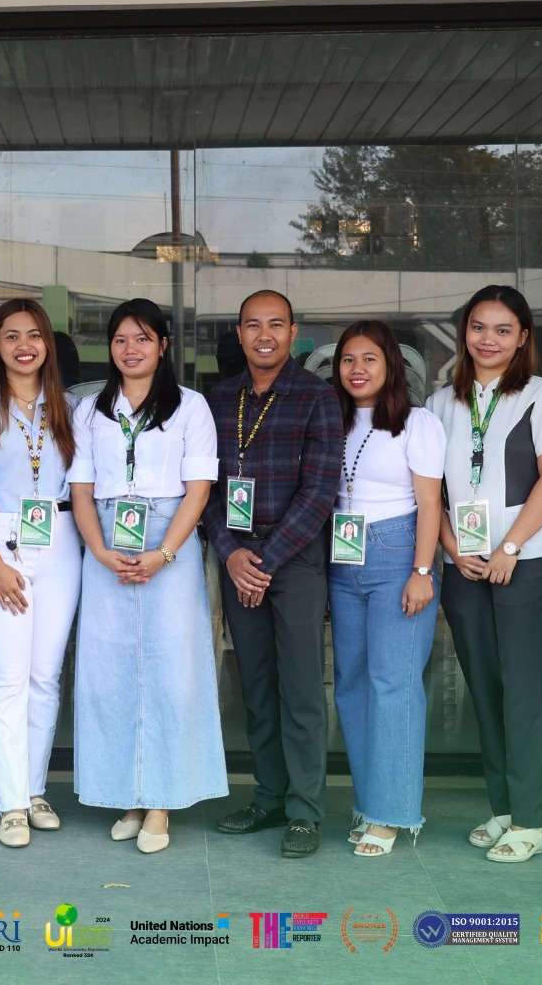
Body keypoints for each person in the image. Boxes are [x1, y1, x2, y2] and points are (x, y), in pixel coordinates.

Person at [69, 298, 224, 853]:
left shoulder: (191, 407)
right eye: (120, 339)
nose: (130, 349)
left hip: (169, 540)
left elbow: (199, 490)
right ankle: (127, 795)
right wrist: (98, 549)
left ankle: (161, 800)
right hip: (106, 540)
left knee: (171, 671)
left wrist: (164, 553)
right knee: (109, 673)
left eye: (142, 338)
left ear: (163, 345)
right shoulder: (89, 411)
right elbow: (81, 489)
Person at [427, 285, 542, 865]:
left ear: (522, 337)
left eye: (503, 329)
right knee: (486, 689)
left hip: (526, 563)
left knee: (525, 691)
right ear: (464, 333)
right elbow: (430, 490)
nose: (488, 339)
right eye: (478, 327)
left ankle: (533, 820)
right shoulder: (441, 402)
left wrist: (511, 546)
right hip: (464, 564)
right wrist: (451, 547)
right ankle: (505, 809)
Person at [201, 291, 342, 858]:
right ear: (239, 333)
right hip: (239, 559)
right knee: (256, 687)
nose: (264, 335)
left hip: (296, 559)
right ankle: (269, 797)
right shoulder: (217, 400)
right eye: (253, 325)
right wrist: (230, 552)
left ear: (292, 332)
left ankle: (305, 811)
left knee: (301, 689)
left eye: (276, 325)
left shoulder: (317, 397)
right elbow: (205, 487)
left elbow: (321, 491)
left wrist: (266, 558)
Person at [0, 298, 82, 848]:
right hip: (1, 540)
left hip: (62, 539)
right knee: (8, 677)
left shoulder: (72, 408)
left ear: (48, 343)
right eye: (11, 336)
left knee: (46, 677)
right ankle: (10, 805)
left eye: (33, 335)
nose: (24, 345)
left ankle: (33, 790)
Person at [327, 319, 445, 859]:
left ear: (391, 365)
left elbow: (430, 502)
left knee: (394, 684)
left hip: (398, 554)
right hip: (342, 555)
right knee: (351, 684)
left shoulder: (417, 423)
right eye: (348, 359)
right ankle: (369, 803)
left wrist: (422, 571)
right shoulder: (330, 418)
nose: (357, 369)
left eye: (369, 358)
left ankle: (393, 812)